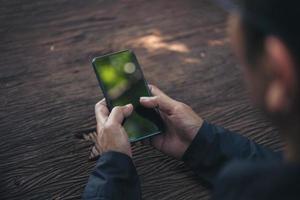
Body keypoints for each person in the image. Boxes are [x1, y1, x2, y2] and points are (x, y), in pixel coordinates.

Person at [83, 0, 300, 199]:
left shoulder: (245, 190)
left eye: (241, 63)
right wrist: (201, 142)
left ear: (278, 71)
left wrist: (113, 168)